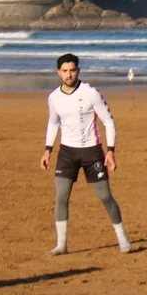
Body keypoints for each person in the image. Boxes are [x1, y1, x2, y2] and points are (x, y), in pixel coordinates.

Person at [40, 53, 131, 256]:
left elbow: (108, 121)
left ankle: (122, 238)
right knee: (61, 197)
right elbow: (53, 123)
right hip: (67, 152)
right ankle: (61, 244)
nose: (69, 75)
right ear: (58, 72)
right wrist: (47, 150)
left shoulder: (91, 93)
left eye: (72, 70)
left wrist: (110, 151)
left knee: (105, 196)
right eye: (65, 71)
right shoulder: (53, 97)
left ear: (78, 71)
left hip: (92, 152)